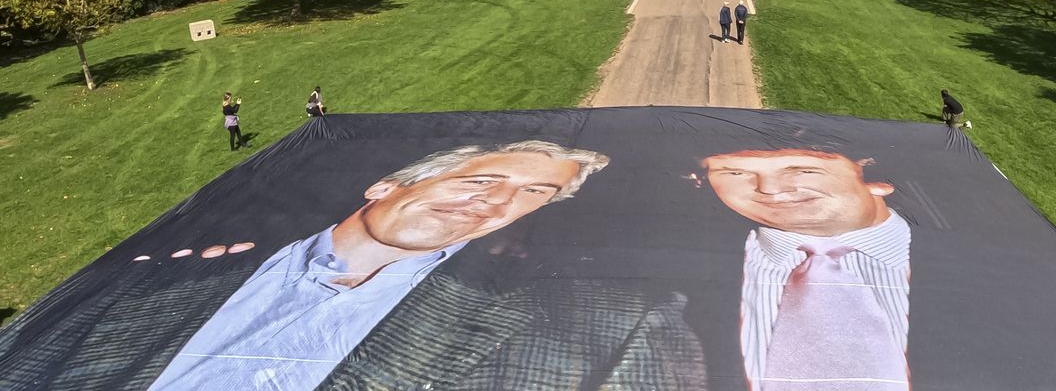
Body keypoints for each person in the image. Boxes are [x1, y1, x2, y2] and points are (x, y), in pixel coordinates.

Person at [147, 140, 704, 391]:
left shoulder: (602, 323)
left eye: (533, 194)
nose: (493, 201)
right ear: (385, 187)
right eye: (482, 179)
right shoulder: (175, 275)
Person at [698, 145, 911, 391]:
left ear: (879, 179)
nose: (769, 188)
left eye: (804, 170)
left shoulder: (958, 272)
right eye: (735, 172)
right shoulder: (686, 264)